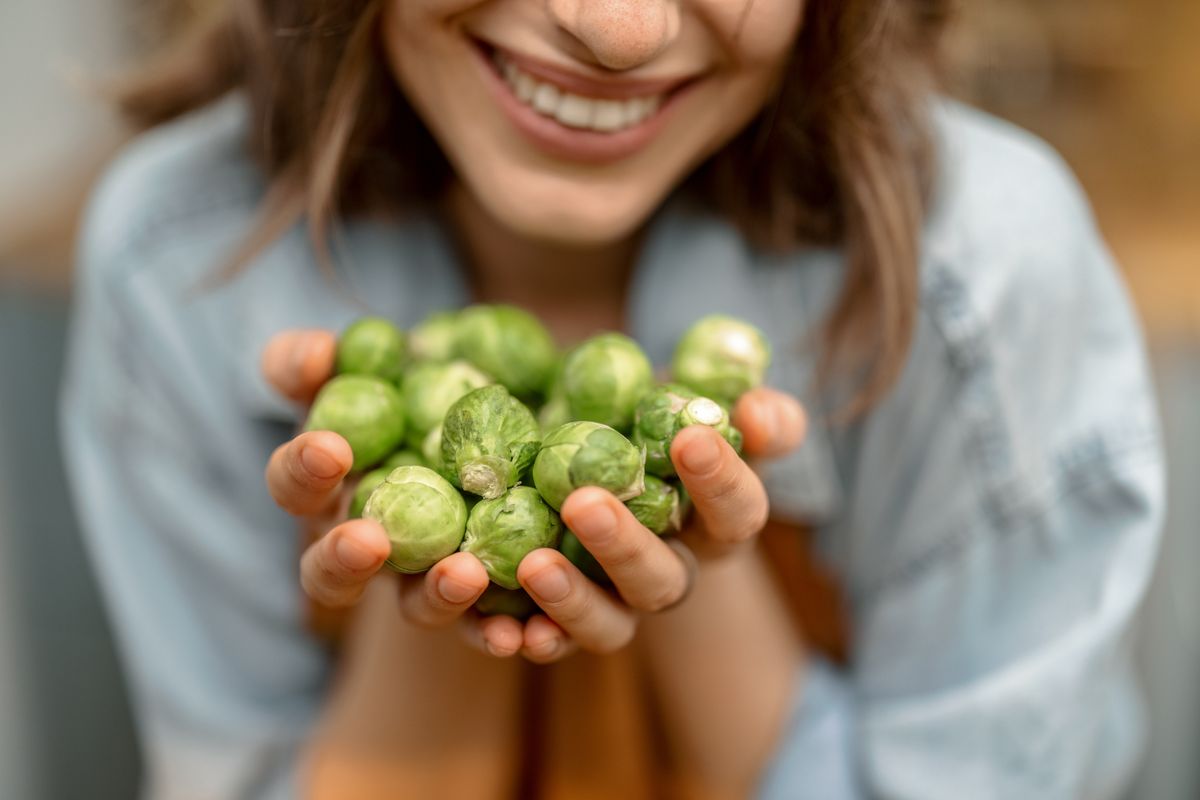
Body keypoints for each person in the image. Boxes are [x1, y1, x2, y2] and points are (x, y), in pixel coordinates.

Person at [60, 0, 1165, 798]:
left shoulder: (974, 277)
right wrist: (432, 557)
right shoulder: (181, 258)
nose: (618, 27)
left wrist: (689, 556)